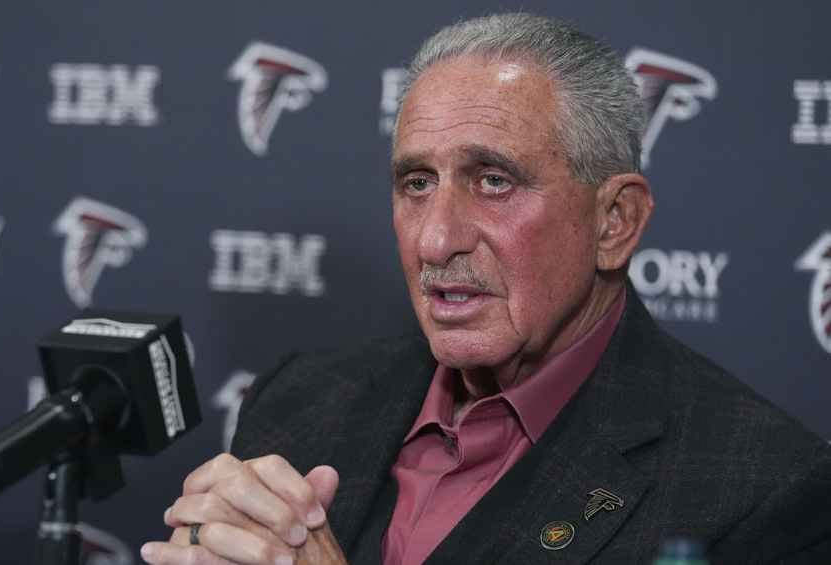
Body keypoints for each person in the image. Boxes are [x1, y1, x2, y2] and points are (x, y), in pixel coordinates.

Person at [141, 13, 831, 565]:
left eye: (494, 181)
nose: (436, 240)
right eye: (417, 183)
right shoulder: (298, 400)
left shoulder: (761, 490)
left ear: (614, 221)